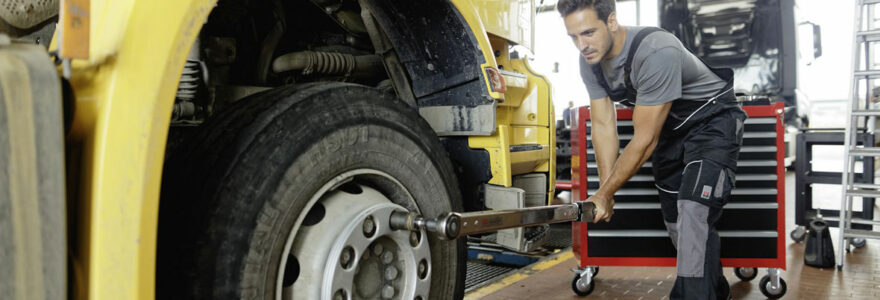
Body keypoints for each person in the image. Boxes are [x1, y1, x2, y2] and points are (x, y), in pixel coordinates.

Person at [557, 0, 747, 299]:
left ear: (612, 22)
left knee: (694, 211)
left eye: (589, 32)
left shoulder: (656, 50)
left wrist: (605, 193)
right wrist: (606, 190)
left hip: (712, 123)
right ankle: (714, 292)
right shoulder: (591, 62)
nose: (582, 45)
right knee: (677, 226)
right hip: (670, 133)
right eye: (574, 37)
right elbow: (604, 126)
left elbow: (644, 140)